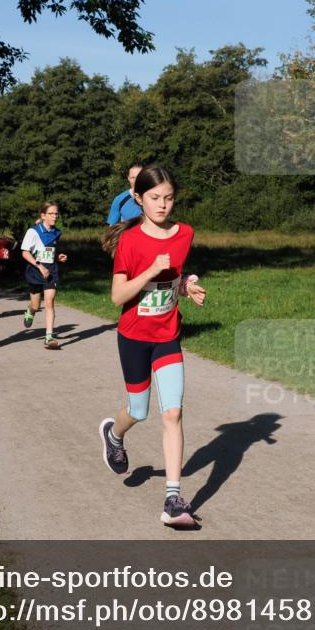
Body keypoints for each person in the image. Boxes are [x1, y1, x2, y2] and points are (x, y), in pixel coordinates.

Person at [99, 164, 206, 528]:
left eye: (169, 198)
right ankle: (114, 434)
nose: (162, 205)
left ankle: (173, 499)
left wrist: (187, 286)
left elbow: (175, 273)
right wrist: (147, 272)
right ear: (138, 199)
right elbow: (118, 296)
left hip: (167, 336)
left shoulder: (185, 233)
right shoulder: (130, 241)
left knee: (172, 413)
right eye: (155, 198)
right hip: (133, 337)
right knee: (139, 410)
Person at [20, 201, 68, 350]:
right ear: (43, 215)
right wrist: (40, 266)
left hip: (51, 271)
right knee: (36, 304)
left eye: (56, 214)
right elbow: (25, 252)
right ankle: (30, 311)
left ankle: (49, 336)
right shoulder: (33, 232)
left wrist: (58, 257)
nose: (55, 216)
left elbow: (50, 251)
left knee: (49, 302)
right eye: (51, 214)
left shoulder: (56, 232)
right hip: (35, 271)